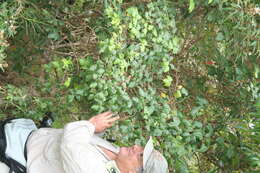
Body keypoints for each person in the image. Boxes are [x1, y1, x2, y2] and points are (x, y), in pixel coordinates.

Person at [0, 111, 168, 173]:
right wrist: (98, 133)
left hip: (14, 157)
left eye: (140, 155)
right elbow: (88, 148)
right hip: (25, 135)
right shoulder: (117, 155)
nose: (136, 146)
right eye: (141, 148)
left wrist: (91, 125)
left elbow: (70, 146)